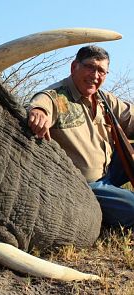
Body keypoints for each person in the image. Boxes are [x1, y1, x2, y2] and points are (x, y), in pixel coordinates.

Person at [27, 45, 134, 228]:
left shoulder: (103, 98)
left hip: (110, 170)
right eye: (90, 67)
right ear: (74, 66)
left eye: (101, 71)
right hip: (85, 185)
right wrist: (38, 112)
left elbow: (130, 117)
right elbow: (42, 103)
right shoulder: (58, 97)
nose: (95, 75)